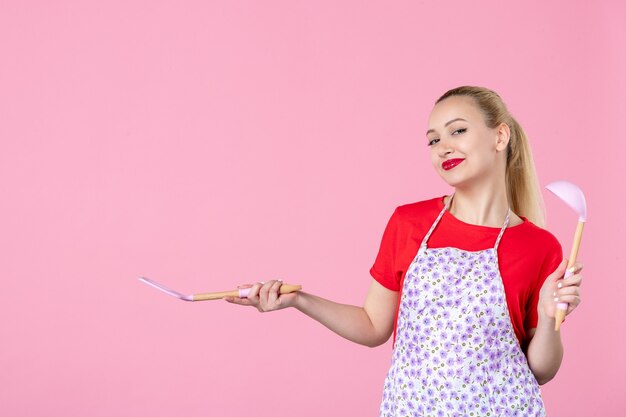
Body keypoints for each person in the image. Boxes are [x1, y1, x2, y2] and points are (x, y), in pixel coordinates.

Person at [225, 86, 583, 416]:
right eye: (433, 140)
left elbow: (540, 370)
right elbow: (373, 325)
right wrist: (298, 300)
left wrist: (549, 316)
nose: (443, 146)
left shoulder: (539, 246)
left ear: (500, 136)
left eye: (458, 131)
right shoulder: (409, 223)